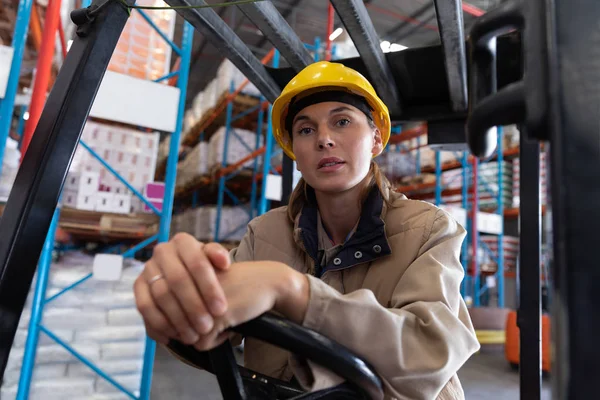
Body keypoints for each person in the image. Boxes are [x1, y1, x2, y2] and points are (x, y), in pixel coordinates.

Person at [134, 61, 480, 399]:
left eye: (342, 121)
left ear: (376, 140)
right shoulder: (265, 233)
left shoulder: (429, 229)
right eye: (305, 129)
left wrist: (291, 290)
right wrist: (179, 296)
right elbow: (214, 318)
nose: (324, 140)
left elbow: (429, 351)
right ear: (295, 154)